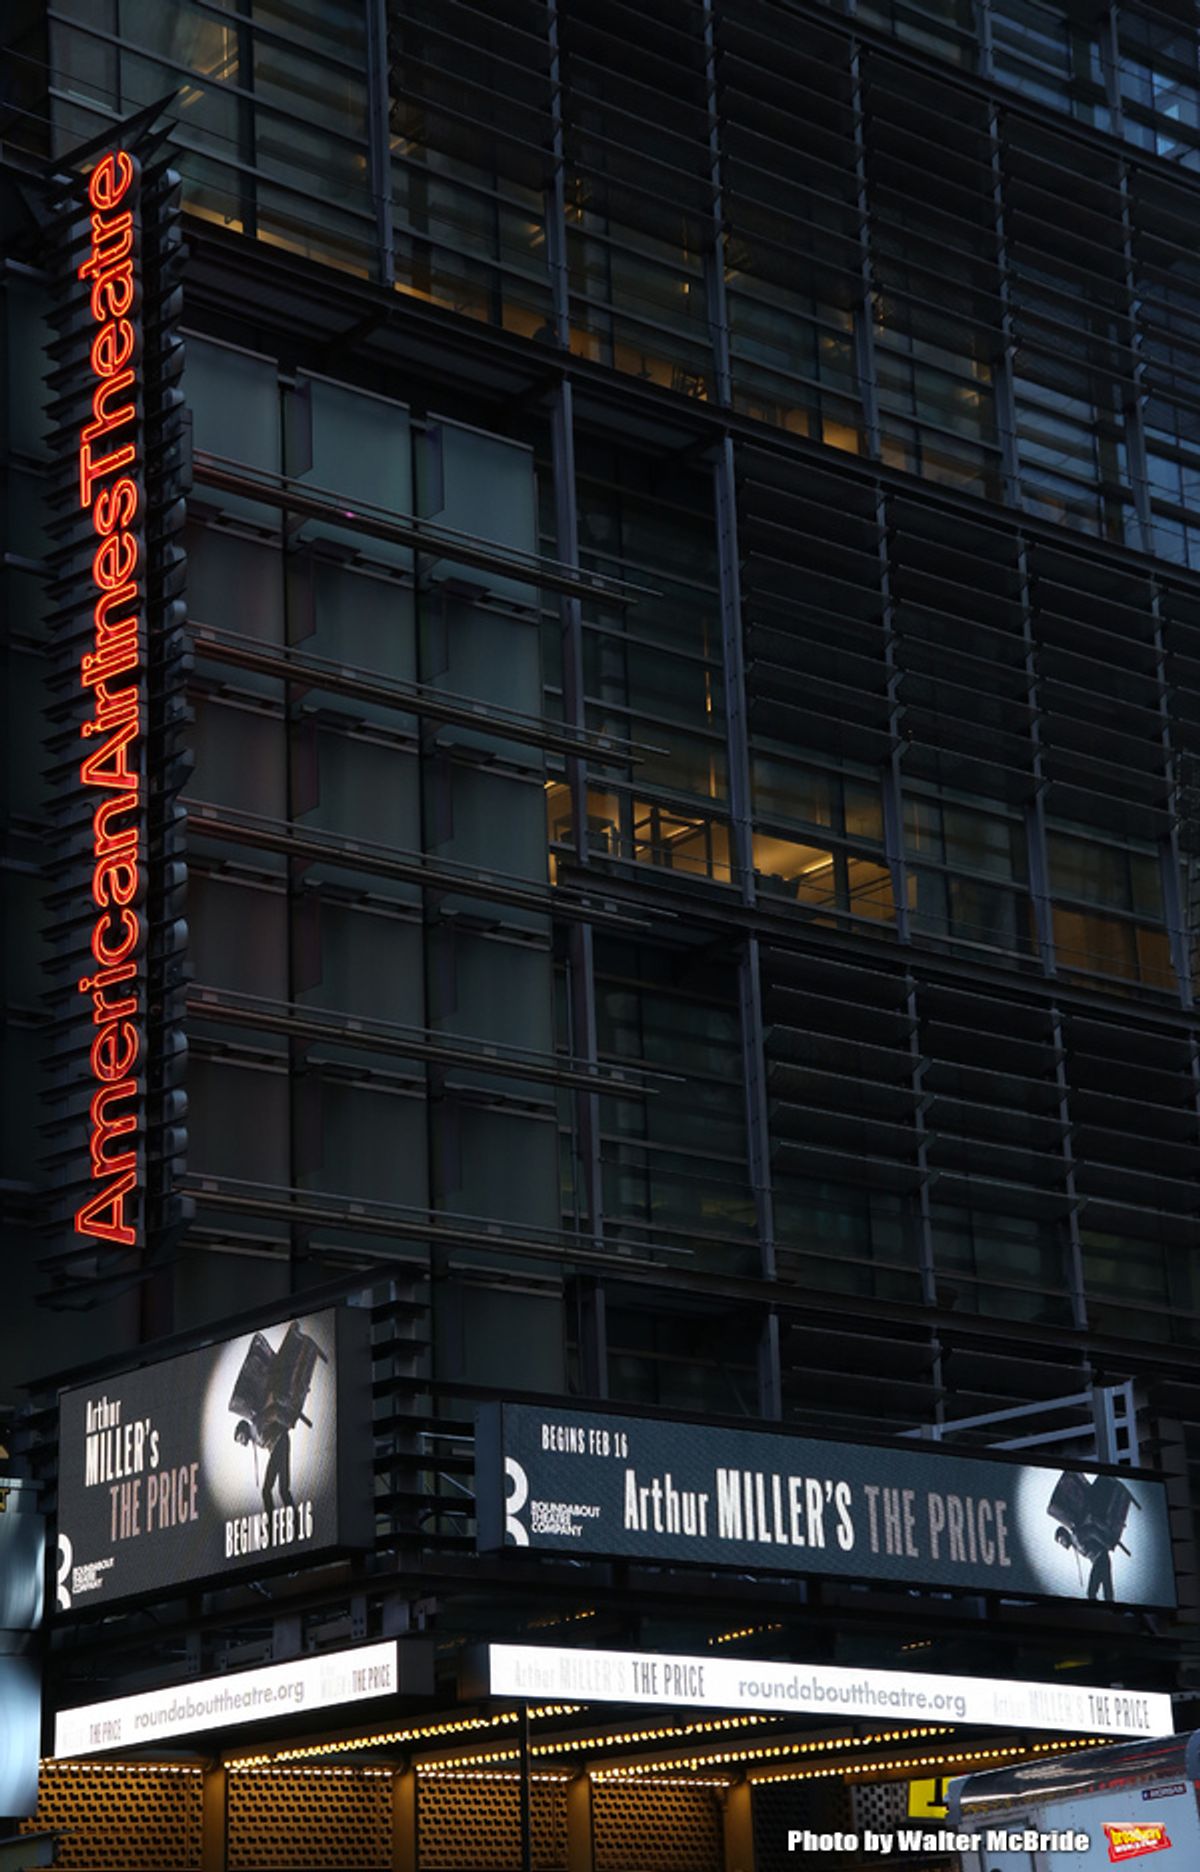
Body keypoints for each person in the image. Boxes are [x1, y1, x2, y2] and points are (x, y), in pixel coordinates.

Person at [234, 1417, 294, 1516]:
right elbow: (268, 1439)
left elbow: (273, 1415)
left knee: (268, 1491)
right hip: (279, 1446)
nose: (241, 1442)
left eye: (240, 1438)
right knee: (283, 1490)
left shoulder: (256, 1425)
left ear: (244, 1430)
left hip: (280, 1444)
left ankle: (272, 1523)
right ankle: (293, 1519)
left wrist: (287, 1423)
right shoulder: (254, 1436)